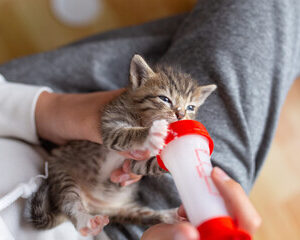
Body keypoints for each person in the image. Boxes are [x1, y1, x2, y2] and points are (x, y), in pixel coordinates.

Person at [1, 0, 299, 238]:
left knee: (245, 36)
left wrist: (53, 109)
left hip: (26, 118)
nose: (181, 115)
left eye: (189, 109)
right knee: (263, 19)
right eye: (172, 104)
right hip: (118, 220)